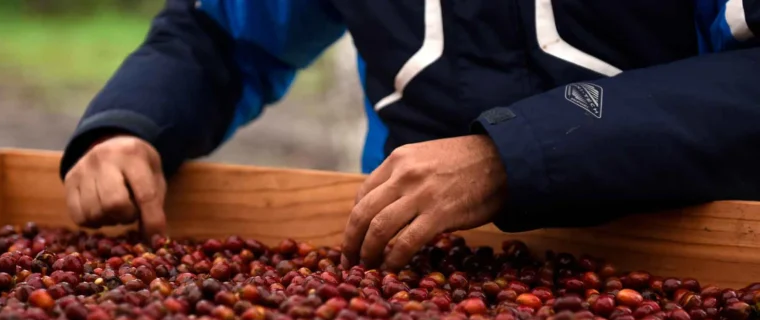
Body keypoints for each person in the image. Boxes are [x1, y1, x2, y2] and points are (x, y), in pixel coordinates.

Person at [61, 0, 760, 271]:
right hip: (401, 272)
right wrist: (130, 124)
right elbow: (221, 36)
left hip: (680, 265)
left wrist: (509, 155)